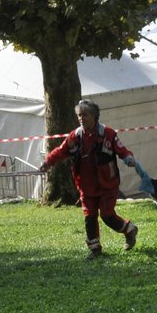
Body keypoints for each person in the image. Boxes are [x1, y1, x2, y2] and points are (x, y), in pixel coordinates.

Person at [40, 99, 140, 258]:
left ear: (94, 116)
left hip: (107, 184)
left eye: (84, 115)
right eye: (79, 115)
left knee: (107, 215)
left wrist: (128, 158)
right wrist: (47, 162)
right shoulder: (75, 136)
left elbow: (122, 150)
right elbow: (61, 151)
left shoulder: (108, 133)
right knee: (89, 217)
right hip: (86, 186)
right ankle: (95, 249)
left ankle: (129, 230)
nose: (81, 118)